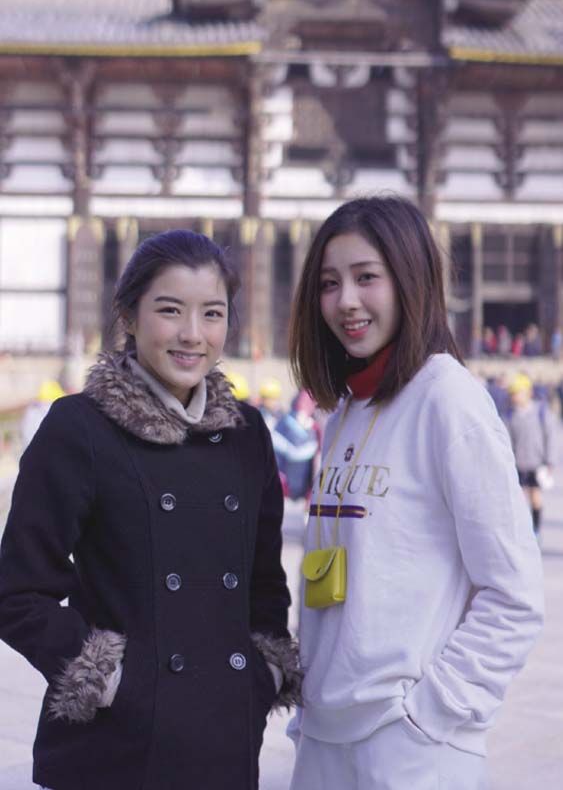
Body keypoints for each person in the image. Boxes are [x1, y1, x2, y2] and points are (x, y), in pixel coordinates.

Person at [0, 229, 301, 790]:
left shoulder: (247, 432)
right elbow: (18, 591)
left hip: (225, 744)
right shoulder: (80, 428)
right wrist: (110, 680)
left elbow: (264, 582)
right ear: (129, 317)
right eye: (170, 310)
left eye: (212, 314)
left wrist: (263, 672)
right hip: (116, 751)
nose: (193, 334)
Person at [287, 195, 543, 790]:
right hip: (325, 739)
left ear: (411, 279)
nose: (346, 301)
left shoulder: (448, 400)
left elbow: (514, 593)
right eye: (329, 283)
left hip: (409, 746)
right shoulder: (345, 411)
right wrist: (308, 713)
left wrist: (431, 712)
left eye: (366, 277)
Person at [508, 373, 558, 539]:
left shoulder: (541, 411)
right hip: (518, 464)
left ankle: (536, 528)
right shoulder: (510, 416)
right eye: (512, 394)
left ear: (528, 392)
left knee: (535, 497)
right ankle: (523, 529)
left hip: (537, 463)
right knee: (519, 500)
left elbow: (550, 436)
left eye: (517, 393)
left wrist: (550, 460)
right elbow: (508, 440)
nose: (514, 397)